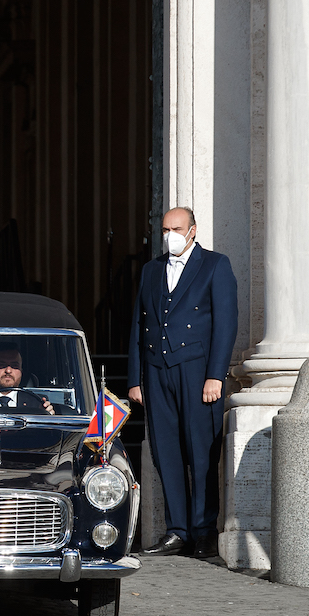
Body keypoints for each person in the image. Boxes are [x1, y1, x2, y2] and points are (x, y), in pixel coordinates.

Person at [127, 207, 238, 558]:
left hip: (196, 371)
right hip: (157, 371)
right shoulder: (151, 270)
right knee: (166, 453)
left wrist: (215, 375)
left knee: (202, 453)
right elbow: (138, 326)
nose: (169, 235)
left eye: (175, 228)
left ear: (192, 230)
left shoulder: (215, 265)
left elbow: (226, 324)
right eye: (164, 229)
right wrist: (135, 379)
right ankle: (177, 530)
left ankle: (204, 531)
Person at [0, 342, 55, 414]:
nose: (8, 371)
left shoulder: (37, 403)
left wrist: (47, 417)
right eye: (2, 365)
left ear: (21, 371)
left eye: (14, 366)